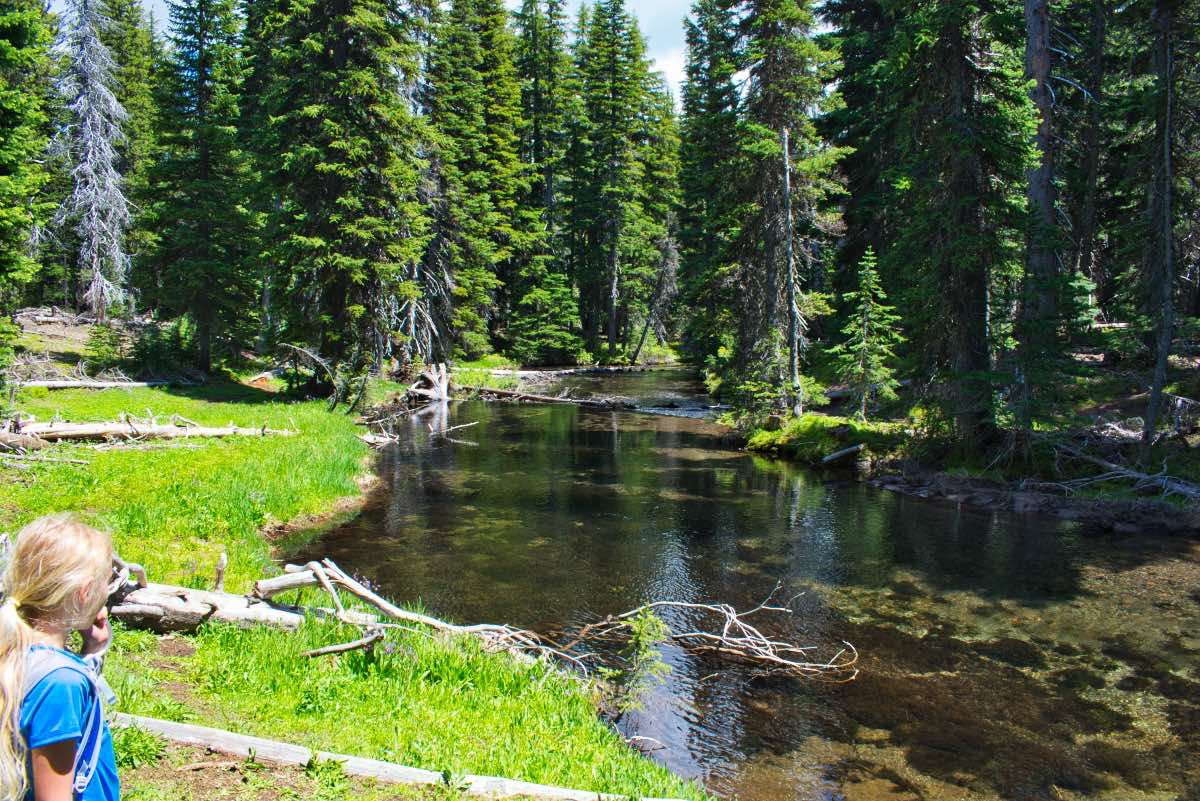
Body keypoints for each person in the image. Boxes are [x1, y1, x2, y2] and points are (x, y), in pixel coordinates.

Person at [0, 514, 121, 801]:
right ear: (84, 593)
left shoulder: (17, 651)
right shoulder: (60, 683)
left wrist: (91, 654)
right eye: (107, 583)